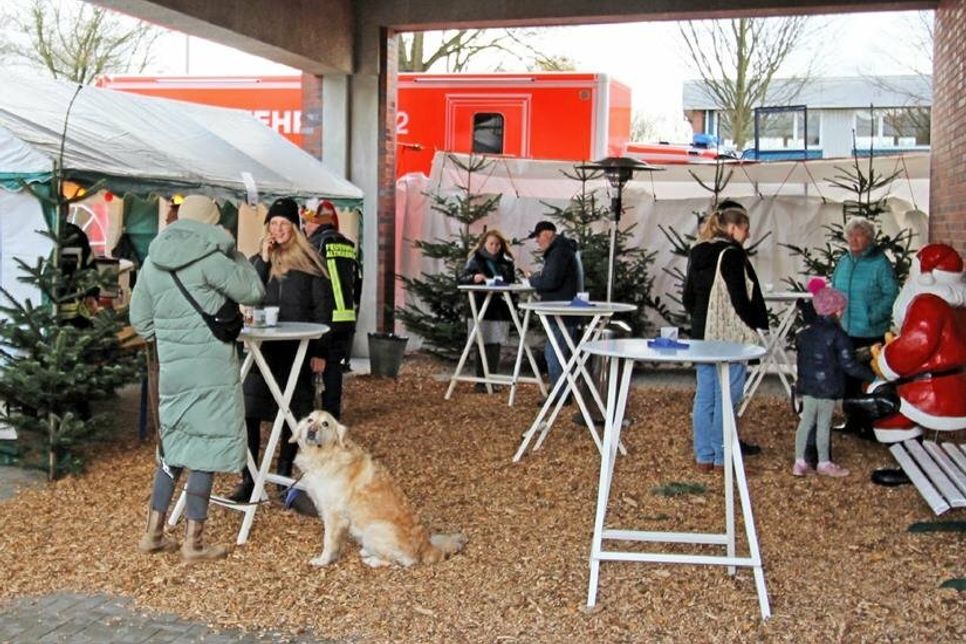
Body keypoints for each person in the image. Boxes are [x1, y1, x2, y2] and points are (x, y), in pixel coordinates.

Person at [130, 195, 265, 562]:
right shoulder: (212, 259)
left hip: (173, 370)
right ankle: (194, 542)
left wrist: (171, 336)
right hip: (211, 370)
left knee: (173, 447)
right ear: (209, 222)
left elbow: (140, 322)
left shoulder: (152, 263)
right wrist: (236, 253)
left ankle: (153, 533)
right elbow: (254, 291)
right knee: (205, 447)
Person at [229, 197, 332, 508]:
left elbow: (323, 308)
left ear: (294, 228)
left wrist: (321, 351)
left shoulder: (311, 263)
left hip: (297, 350)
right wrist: (262, 259)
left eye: (283, 223)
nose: (278, 229)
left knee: (292, 416)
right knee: (249, 411)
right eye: (273, 223)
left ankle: (284, 475)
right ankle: (249, 478)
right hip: (263, 350)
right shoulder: (259, 261)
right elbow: (250, 294)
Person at [682, 200, 769, 471]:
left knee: (704, 395)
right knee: (727, 396)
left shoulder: (697, 252)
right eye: (745, 228)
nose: (748, 234)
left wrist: (700, 320)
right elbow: (740, 300)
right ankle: (722, 456)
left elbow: (688, 297)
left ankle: (703, 455)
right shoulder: (731, 255)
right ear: (732, 228)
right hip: (728, 338)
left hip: (701, 334)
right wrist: (754, 323)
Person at [868, 243, 966, 477]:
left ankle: (911, 467)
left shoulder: (928, 303)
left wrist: (885, 361)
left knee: (888, 410)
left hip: (931, 390)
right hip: (956, 385)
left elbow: (916, 344)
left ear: (923, 276)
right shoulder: (958, 306)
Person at [792, 280, 876, 478]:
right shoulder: (839, 336)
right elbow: (849, 365)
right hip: (828, 387)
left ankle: (799, 462)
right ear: (837, 311)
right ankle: (824, 462)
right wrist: (872, 376)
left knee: (806, 422)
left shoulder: (804, 334)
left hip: (808, 386)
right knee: (823, 424)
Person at [830, 216, 898, 438]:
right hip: (845, 330)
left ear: (869, 238)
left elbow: (891, 294)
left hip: (870, 333)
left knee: (869, 378)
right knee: (848, 378)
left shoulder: (880, 263)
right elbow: (834, 289)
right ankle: (852, 420)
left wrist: (873, 316)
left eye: (859, 235)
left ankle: (871, 425)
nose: (854, 239)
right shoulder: (844, 262)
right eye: (850, 235)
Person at [301, 200, 362, 418]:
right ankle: (332, 415)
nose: (304, 227)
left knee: (316, 366)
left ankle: (314, 415)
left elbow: (312, 286)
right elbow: (357, 282)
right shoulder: (347, 245)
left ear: (316, 222)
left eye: (307, 222)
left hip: (324, 317)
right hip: (346, 317)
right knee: (333, 367)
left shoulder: (314, 246)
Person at [525, 220, 580, 398]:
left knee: (554, 353)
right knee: (560, 351)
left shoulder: (558, 252)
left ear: (547, 234)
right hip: (564, 311)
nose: (537, 241)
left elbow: (551, 281)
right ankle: (561, 390)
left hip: (561, 312)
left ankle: (560, 394)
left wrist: (533, 280)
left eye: (538, 237)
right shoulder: (563, 250)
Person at [459, 229, 516, 392]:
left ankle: (492, 379)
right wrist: (474, 278)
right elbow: (461, 278)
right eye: (491, 244)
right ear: (484, 244)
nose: (494, 247)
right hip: (480, 305)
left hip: (498, 307)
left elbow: (511, 282)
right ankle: (481, 381)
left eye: (497, 244)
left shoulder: (506, 262)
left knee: (495, 343)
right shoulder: (475, 260)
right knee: (482, 342)